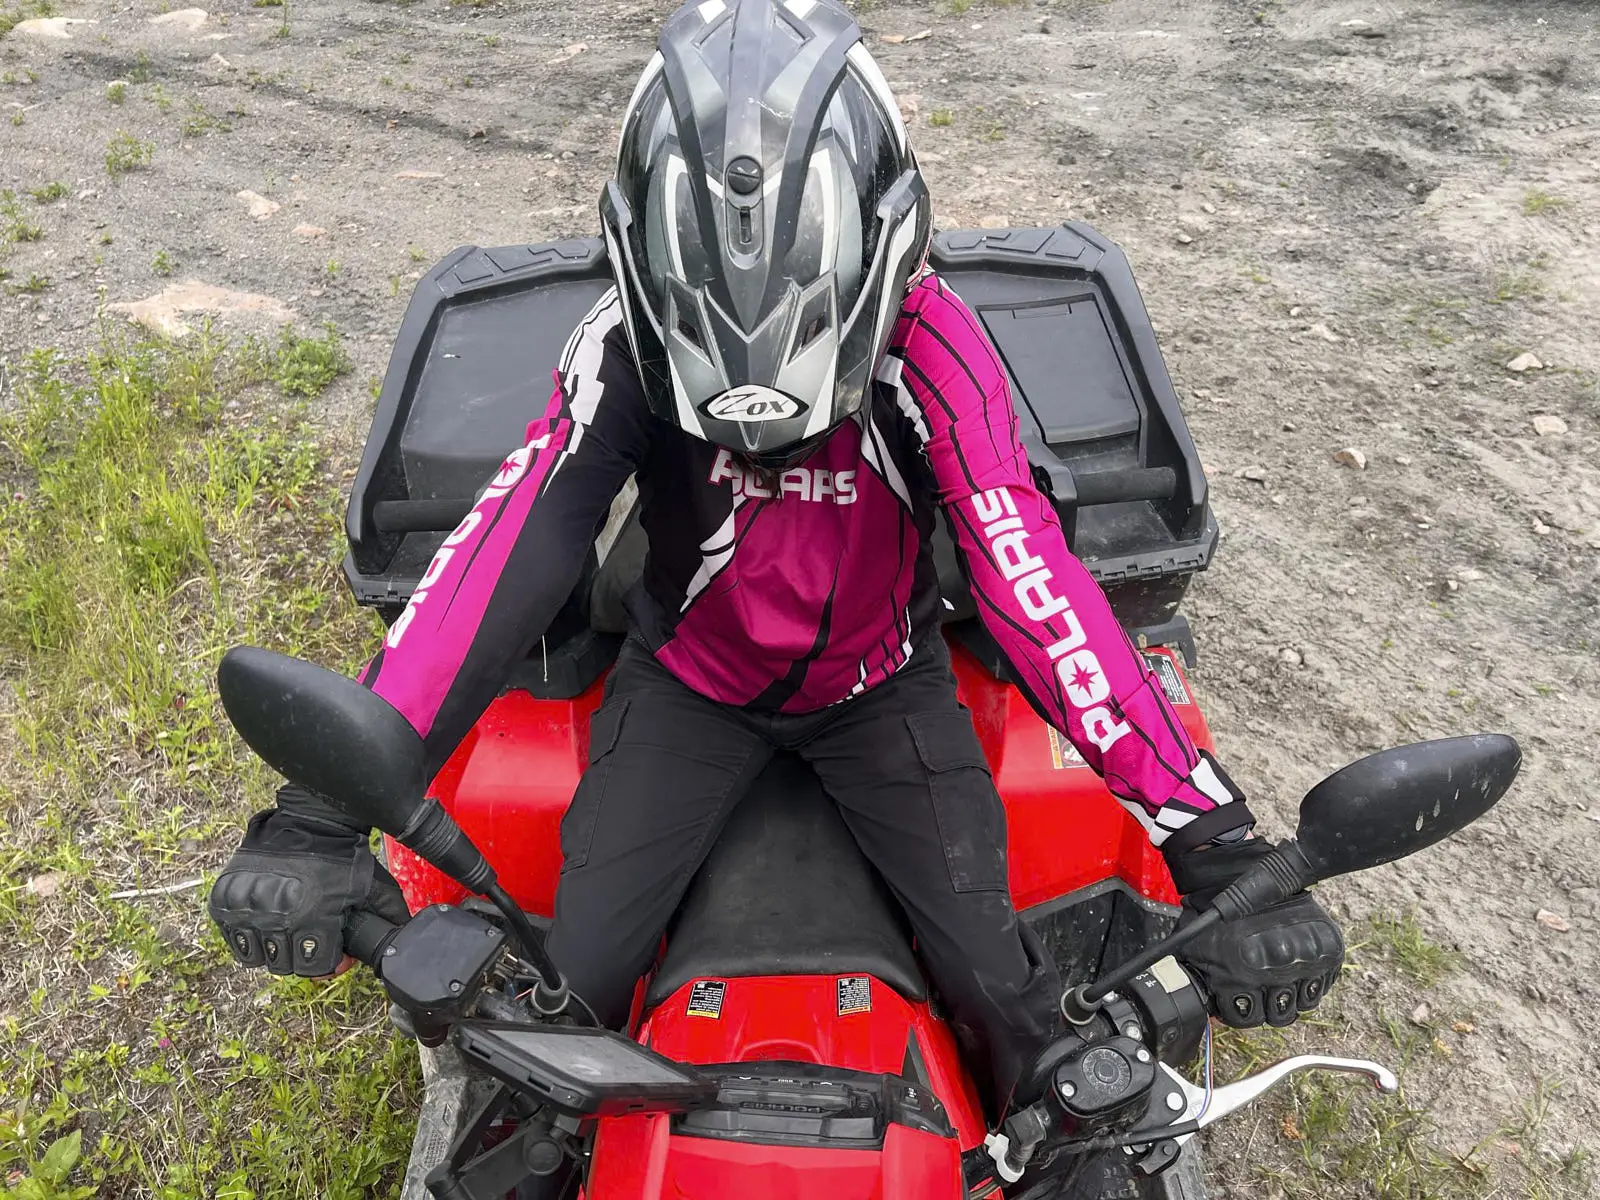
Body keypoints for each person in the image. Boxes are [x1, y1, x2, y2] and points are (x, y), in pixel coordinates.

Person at [208, 0, 1343, 1119]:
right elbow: (509, 545)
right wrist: (324, 805)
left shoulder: (934, 341)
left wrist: (1211, 841)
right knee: (562, 1009)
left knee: (1010, 1004)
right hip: (688, 686)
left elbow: (1026, 575)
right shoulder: (620, 342)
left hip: (879, 685)